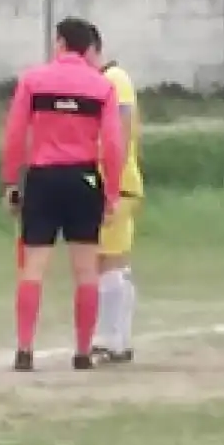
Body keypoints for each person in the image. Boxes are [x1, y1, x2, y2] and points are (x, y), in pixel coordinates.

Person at [0, 17, 126, 372]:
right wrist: (112, 191)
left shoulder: (33, 80)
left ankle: (24, 348)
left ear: (59, 43)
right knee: (86, 270)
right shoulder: (101, 87)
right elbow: (113, 144)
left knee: (33, 268)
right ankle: (83, 351)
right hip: (83, 177)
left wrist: (11, 179)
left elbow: (14, 133)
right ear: (88, 49)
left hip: (42, 177)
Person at [82, 25, 141, 366]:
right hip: (108, 180)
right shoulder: (104, 81)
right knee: (109, 259)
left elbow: (121, 128)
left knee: (107, 260)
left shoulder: (114, 79)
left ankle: (110, 339)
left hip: (115, 181)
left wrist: (112, 182)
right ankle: (117, 337)